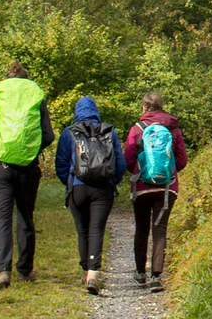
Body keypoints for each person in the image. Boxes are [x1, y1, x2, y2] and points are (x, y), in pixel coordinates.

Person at [0, 60, 54, 290]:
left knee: (1, 218)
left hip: (1, 168)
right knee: (25, 216)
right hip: (28, 169)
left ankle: (3, 271)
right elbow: (48, 136)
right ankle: (25, 269)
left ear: (7, 79)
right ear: (27, 80)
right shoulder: (37, 100)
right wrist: (31, 150)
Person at [54, 97, 126, 295]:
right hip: (103, 189)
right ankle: (94, 274)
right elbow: (120, 163)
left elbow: (60, 163)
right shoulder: (109, 131)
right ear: (96, 111)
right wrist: (113, 181)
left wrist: (69, 183)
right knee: (96, 230)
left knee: (82, 231)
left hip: (78, 187)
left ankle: (85, 271)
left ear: (77, 112)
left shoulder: (69, 133)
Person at [123, 91, 188, 293]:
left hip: (142, 187)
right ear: (161, 107)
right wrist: (166, 171)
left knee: (142, 229)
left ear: (144, 107)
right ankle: (156, 277)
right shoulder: (173, 129)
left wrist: (141, 172)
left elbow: (127, 159)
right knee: (160, 230)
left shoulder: (137, 129)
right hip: (167, 187)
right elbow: (182, 161)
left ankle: (140, 274)